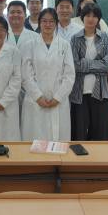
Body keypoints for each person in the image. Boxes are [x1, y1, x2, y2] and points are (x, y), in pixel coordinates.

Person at [21, 8, 75, 142]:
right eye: (44, 21)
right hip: (35, 101)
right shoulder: (30, 45)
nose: (47, 24)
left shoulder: (64, 45)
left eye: (51, 21)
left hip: (58, 102)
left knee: (57, 142)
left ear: (56, 23)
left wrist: (58, 97)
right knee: (35, 142)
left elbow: (69, 75)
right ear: (39, 23)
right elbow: (26, 75)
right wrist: (38, 97)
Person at [69, 3, 108, 141]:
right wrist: (99, 65)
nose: (90, 19)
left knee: (101, 134)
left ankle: (99, 156)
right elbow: (73, 65)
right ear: (82, 17)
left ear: (98, 19)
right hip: (79, 92)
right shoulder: (75, 38)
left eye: (94, 16)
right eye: (87, 15)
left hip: (101, 91)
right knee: (78, 133)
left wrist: (85, 63)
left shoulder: (105, 37)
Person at [6, 0, 39, 117]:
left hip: (28, 86)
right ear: (7, 15)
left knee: (27, 120)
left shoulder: (36, 37)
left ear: (25, 15)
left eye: (19, 12)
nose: (15, 15)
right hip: (5, 87)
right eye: (12, 12)